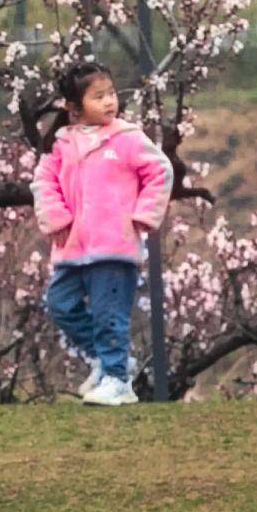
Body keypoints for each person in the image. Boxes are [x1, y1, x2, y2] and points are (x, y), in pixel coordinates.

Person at [29, 62, 176, 407]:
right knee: (60, 304)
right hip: (72, 245)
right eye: (99, 97)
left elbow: (160, 170)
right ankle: (109, 362)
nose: (110, 102)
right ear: (73, 108)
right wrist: (56, 218)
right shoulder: (62, 144)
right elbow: (43, 181)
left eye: (111, 93)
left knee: (109, 316)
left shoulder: (126, 138)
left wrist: (143, 216)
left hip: (114, 246)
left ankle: (117, 379)